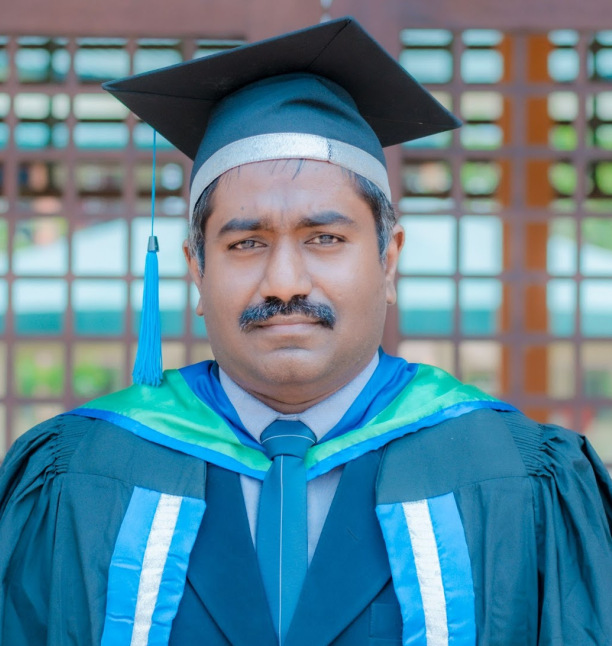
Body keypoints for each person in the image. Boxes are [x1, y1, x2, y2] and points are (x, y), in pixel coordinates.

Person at [1, 16, 611, 646]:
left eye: (324, 238)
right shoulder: (79, 474)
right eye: (246, 243)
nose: (285, 282)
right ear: (196, 269)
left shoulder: (516, 477)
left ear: (389, 260)